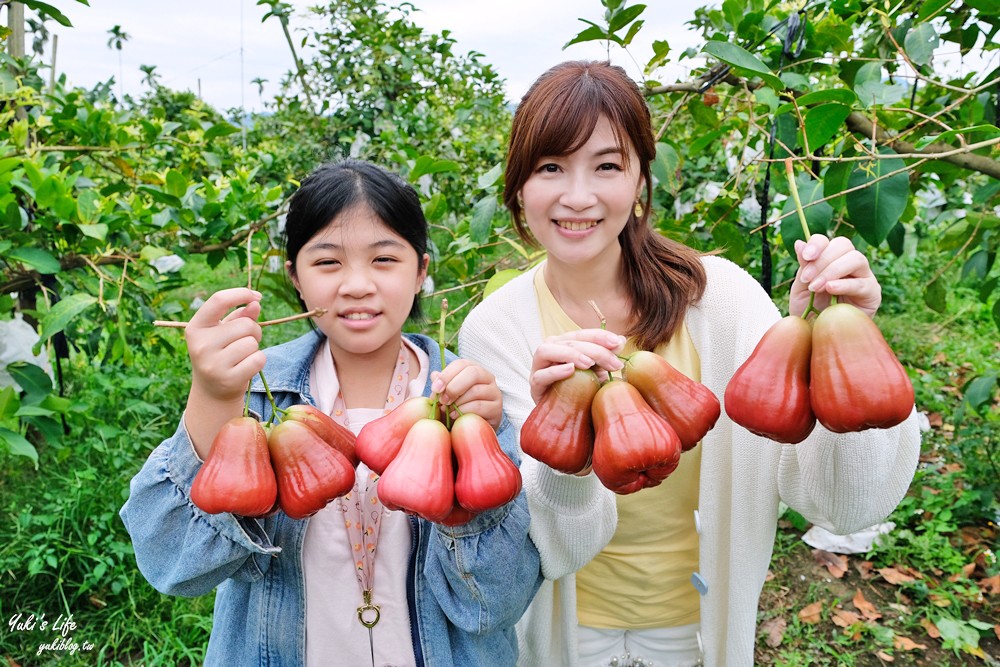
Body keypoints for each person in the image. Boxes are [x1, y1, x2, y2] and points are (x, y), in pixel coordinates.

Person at [458, 61, 920, 667]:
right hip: (565, 631)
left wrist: (843, 354)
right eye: (550, 168)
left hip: (697, 624)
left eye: (606, 165)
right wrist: (563, 450)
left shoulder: (722, 301)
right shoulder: (496, 331)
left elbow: (844, 506)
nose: (577, 196)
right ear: (519, 186)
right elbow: (548, 547)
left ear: (640, 180)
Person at [120, 159, 542, 667]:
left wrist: (482, 448)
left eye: (384, 259)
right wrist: (211, 398)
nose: (357, 285)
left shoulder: (469, 399)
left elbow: (493, 605)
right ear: (294, 277)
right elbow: (171, 566)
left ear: (421, 272)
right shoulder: (253, 397)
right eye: (327, 262)